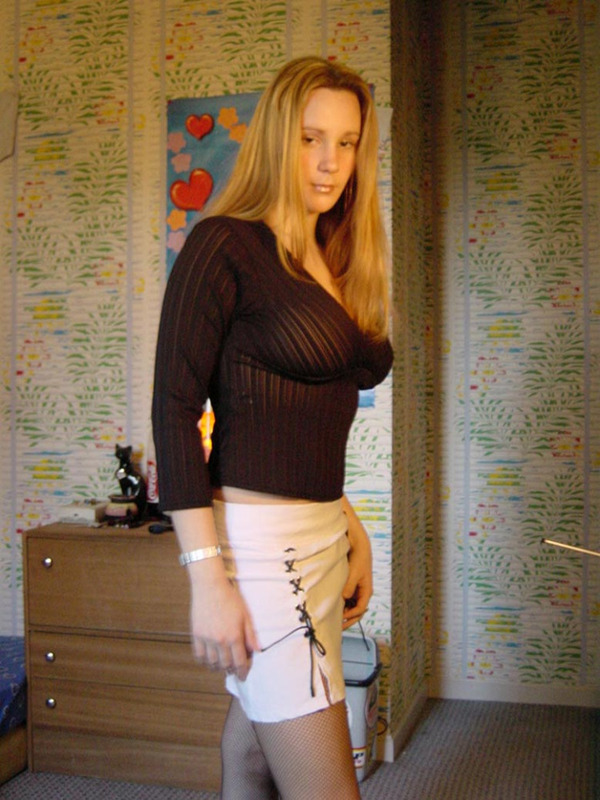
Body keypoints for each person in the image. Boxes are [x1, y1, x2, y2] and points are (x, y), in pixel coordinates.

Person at [152, 56, 393, 800]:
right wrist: (207, 580)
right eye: (311, 138)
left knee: (254, 758)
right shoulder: (225, 244)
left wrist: (350, 527)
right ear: (278, 139)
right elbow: (174, 408)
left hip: (321, 539)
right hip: (264, 555)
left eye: (347, 143)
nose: (329, 162)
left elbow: (303, 420)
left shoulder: (333, 259)